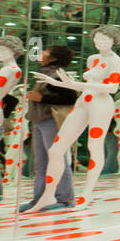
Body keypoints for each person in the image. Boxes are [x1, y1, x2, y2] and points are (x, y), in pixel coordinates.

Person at [20, 45, 78, 212]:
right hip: (40, 120)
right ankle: (39, 198)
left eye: (45, 51)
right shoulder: (45, 73)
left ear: (53, 58)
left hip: (50, 120)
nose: (41, 52)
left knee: (56, 158)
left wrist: (42, 97)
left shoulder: (57, 75)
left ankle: (65, 198)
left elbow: (69, 98)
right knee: (41, 162)